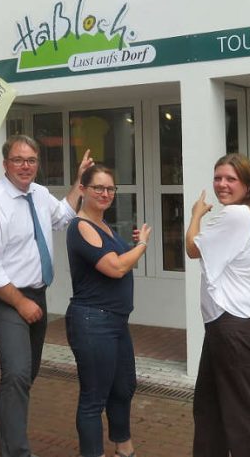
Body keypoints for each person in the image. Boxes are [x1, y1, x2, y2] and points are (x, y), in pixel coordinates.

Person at [0, 134, 93, 457]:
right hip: (4, 298)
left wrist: (81, 182)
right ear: (5, 164)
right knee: (17, 373)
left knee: (24, 376)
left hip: (36, 296)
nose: (25, 166)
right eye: (18, 160)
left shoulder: (38, 194)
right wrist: (21, 302)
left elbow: (62, 216)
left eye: (31, 160)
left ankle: (9, 442)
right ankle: (16, 452)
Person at [185, 153, 250, 457]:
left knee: (245, 417)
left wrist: (196, 213)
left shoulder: (237, 215)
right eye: (218, 178)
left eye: (230, 179)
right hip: (225, 327)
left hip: (232, 327)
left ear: (247, 187)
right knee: (209, 409)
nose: (222, 184)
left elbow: (192, 248)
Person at [65, 165, 151, 457]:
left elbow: (123, 260)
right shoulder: (81, 226)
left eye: (110, 188)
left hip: (114, 321)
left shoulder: (104, 226)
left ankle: (124, 448)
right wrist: (141, 245)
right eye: (98, 188)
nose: (105, 193)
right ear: (84, 190)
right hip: (92, 320)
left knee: (124, 387)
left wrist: (133, 248)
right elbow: (115, 268)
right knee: (94, 397)